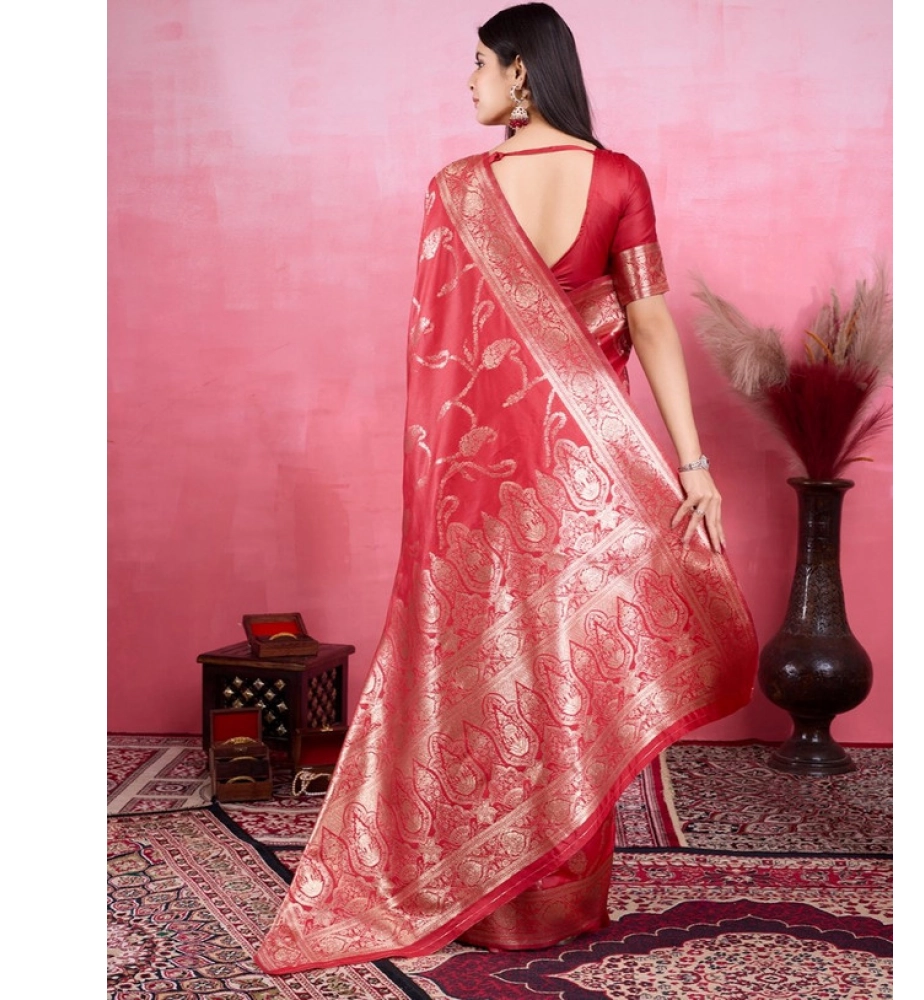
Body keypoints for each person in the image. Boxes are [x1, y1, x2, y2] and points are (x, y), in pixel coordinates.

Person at [255, 3, 756, 973]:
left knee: (491, 662)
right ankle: (557, 900)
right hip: (587, 483)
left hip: (480, 483)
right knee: (568, 669)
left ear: (522, 71)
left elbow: (440, 360)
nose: (469, 81)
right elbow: (650, 322)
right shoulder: (619, 178)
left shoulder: (455, 190)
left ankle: (479, 886)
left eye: (480, 63)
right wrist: (692, 466)